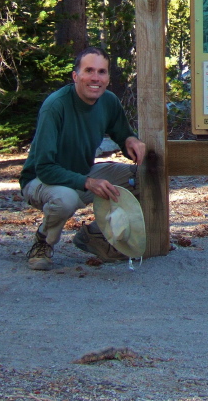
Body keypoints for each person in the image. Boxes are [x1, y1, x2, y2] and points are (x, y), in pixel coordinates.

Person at [19, 47, 146, 271]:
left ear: (107, 78)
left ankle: (95, 236)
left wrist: (131, 141)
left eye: (102, 72)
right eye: (89, 70)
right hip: (42, 181)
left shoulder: (108, 101)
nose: (95, 78)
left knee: (142, 177)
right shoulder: (55, 106)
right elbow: (45, 168)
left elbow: (122, 133)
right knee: (65, 198)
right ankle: (43, 242)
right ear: (75, 75)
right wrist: (88, 183)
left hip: (82, 173)